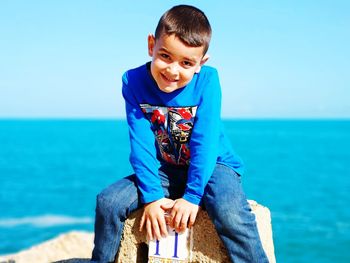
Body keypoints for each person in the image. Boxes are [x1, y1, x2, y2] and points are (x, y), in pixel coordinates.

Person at [92, 5, 269, 263]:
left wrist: (192, 197)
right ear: (151, 45)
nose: (173, 71)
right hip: (165, 170)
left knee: (229, 210)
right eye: (165, 56)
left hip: (214, 166)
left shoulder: (207, 81)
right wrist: (152, 197)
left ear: (201, 63)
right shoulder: (133, 81)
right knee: (108, 202)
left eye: (186, 63)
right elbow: (140, 144)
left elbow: (204, 143)